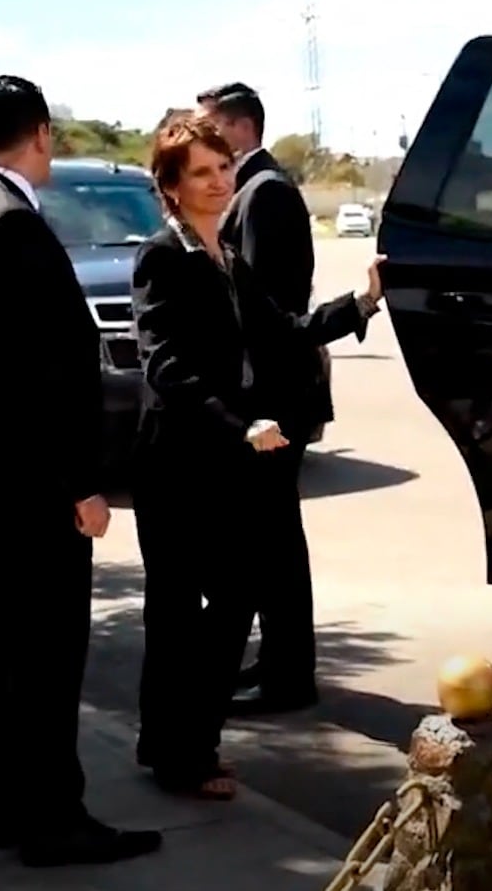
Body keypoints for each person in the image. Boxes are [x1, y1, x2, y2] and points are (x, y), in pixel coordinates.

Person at [0, 74, 161, 867]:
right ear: (41, 133)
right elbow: (41, 377)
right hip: (31, 481)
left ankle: (7, 804)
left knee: (4, 647)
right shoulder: (13, 224)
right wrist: (81, 484)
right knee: (45, 659)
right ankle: (54, 817)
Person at [129, 111, 383, 798]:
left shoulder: (228, 259)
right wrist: (237, 426)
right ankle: (181, 755)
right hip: (178, 463)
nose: (219, 182)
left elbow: (288, 331)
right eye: (201, 173)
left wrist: (363, 301)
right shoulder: (162, 256)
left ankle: (180, 743)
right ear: (172, 187)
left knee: (231, 599)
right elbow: (164, 366)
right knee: (179, 614)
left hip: (226, 462)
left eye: (223, 167)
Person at [196, 82, 327, 714]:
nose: (204, 139)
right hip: (268, 395)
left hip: (274, 396)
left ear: (242, 128)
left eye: (211, 127)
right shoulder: (249, 188)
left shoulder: (266, 192)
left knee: (274, 544)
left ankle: (288, 677)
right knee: (272, 539)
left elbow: (263, 310)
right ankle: (278, 663)